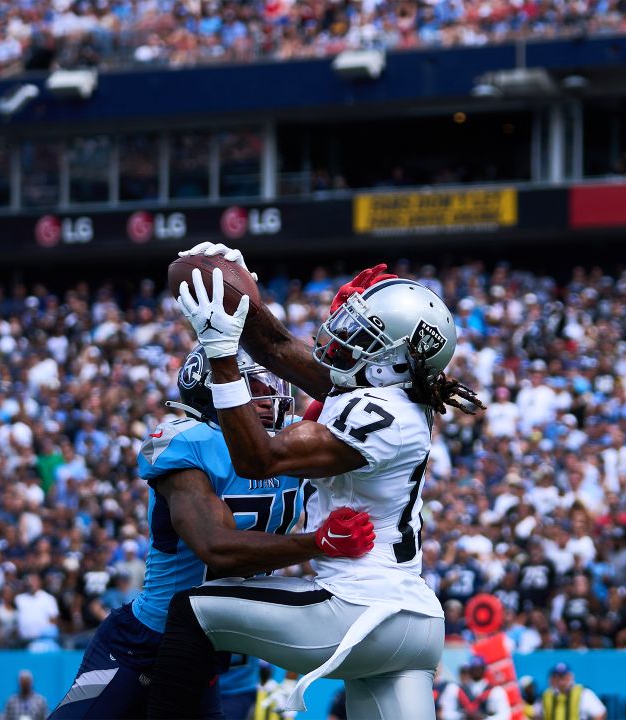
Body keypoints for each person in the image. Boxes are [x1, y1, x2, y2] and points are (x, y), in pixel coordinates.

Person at [148, 255, 483, 720]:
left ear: (396, 361)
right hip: (414, 624)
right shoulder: (388, 393)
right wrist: (242, 303)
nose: (343, 335)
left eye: (366, 335)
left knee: (192, 611)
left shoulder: (380, 414)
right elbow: (276, 346)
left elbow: (257, 461)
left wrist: (223, 358)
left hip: (357, 610)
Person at [49, 347, 374, 720]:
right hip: (144, 643)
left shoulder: (286, 443)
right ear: (211, 392)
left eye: (272, 385)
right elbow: (215, 547)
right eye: (254, 387)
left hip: (207, 645)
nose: (272, 399)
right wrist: (316, 543)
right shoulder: (191, 443)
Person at [437, 657, 510, 720]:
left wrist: (484, 718)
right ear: (469, 670)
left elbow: (504, 715)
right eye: (474, 668)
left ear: (484, 669)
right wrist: (463, 716)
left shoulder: (495, 691)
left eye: (479, 668)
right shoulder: (455, 689)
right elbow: (444, 713)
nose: (476, 671)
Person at [536, 663, 605, 720]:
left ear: (571, 676)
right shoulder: (547, 694)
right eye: (557, 676)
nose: (561, 680)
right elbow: (537, 714)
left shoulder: (583, 693)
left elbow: (599, 713)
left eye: (563, 676)